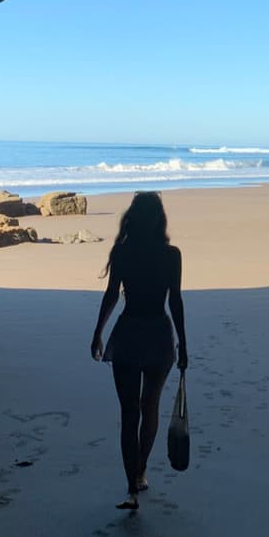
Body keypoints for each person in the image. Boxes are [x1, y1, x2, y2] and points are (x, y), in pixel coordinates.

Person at [91, 191, 188, 510]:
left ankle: (131, 486)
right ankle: (141, 470)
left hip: (129, 334)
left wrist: (98, 332)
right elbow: (175, 301)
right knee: (150, 408)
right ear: (160, 219)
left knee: (129, 413)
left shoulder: (122, 252)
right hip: (159, 335)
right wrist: (183, 344)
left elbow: (111, 295)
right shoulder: (171, 255)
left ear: (132, 217)